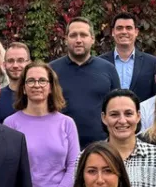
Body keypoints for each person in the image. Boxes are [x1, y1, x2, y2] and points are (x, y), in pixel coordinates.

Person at [51, 17, 121, 148]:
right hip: (60, 146)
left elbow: (118, 107)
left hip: (101, 146)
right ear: (66, 39)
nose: (78, 40)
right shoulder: (51, 71)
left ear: (92, 39)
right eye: (73, 35)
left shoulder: (108, 69)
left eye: (83, 35)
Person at [100, 12, 156, 103]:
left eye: (128, 28)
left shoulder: (152, 63)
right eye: (119, 28)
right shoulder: (100, 62)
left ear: (136, 32)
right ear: (113, 32)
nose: (124, 32)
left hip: (142, 116)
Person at [0, 41, 31, 122]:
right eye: (10, 61)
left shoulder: (38, 96)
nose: (15, 65)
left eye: (20, 60)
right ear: (4, 65)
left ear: (29, 63)